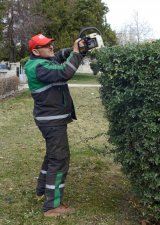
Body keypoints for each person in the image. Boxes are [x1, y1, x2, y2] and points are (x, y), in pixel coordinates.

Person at [24, 34, 83, 217]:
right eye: (46, 46)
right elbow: (65, 72)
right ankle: (52, 206)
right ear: (35, 51)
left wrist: (77, 49)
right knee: (59, 160)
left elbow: (58, 57)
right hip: (52, 122)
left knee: (52, 156)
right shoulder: (40, 67)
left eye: (51, 44)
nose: (51, 47)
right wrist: (76, 53)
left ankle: (42, 189)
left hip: (51, 120)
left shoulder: (41, 62)